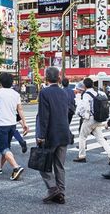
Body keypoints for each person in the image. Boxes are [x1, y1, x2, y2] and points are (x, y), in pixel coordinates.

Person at [36, 67, 73, 204]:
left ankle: (53, 188)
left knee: (43, 165)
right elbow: (68, 112)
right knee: (59, 165)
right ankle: (61, 193)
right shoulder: (65, 93)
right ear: (59, 78)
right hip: (63, 133)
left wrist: (41, 135)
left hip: (50, 134)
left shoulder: (44, 92)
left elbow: (44, 116)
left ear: (46, 78)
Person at [0, 73, 29, 180]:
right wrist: (24, 123)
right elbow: (19, 110)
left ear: (0, 82)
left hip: (2, 124)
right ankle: (0, 167)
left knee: (4, 148)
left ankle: (16, 167)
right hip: (12, 124)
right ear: (12, 83)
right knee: (6, 147)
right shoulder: (16, 94)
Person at [74, 78, 110, 164]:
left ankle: (82, 156)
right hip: (98, 118)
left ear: (84, 86)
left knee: (82, 137)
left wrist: (83, 115)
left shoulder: (86, 94)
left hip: (90, 118)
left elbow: (85, 106)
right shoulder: (96, 93)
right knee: (100, 138)